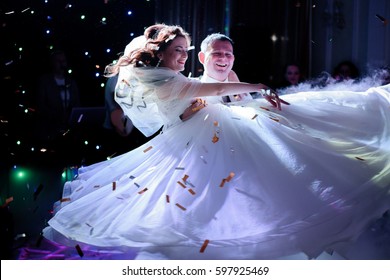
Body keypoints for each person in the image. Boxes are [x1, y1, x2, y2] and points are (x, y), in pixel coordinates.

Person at [42, 24, 390, 260]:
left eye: (184, 49)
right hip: (199, 152)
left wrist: (258, 101)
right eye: (178, 50)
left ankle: (369, 112)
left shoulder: (175, 76)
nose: (182, 55)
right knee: (187, 211)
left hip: (224, 143)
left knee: (303, 117)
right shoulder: (171, 81)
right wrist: (258, 88)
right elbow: (216, 91)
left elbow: (230, 100)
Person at [35, 50, 81, 144]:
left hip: (69, 129)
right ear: (52, 63)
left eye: (63, 61)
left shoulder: (71, 82)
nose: (61, 64)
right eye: (58, 61)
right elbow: (41, 105)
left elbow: (77, 103)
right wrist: (56, 116)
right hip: (50, 129)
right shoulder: (45, 81)